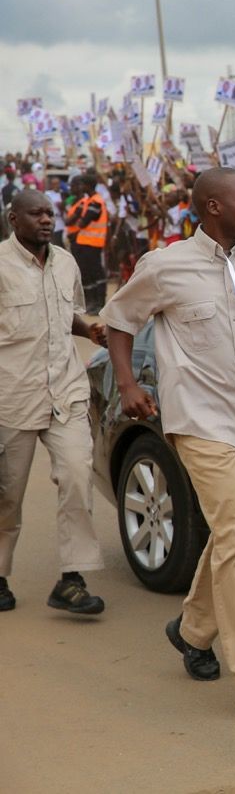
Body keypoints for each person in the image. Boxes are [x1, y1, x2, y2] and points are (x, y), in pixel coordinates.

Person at [102, 167, 235, 711]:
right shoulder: (165, 267)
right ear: (213, 207)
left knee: (231, 535)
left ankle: (191, 631)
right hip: (200, 421)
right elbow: (118, 319)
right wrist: (126, 382)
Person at [0, 190, 109, 615]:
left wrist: (90, 331)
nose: (46, 220)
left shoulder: (65, 262)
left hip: (66, 390)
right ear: (14, 219)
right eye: (36, 213)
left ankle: (72, 579)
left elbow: (67, 316)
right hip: (12, 396)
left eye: (50, 213)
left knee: (78, 477)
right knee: (8, 495)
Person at [63, 175, 109, 313]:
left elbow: (83, 222)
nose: (80, 187)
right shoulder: (88, 201)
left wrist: (79, 223)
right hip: (85, 242)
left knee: (96, 274)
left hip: (93, 243)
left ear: (87, 185)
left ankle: (99, 303)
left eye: (82, 184)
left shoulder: (96, 202)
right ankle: (91, 302)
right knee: (87, 273)